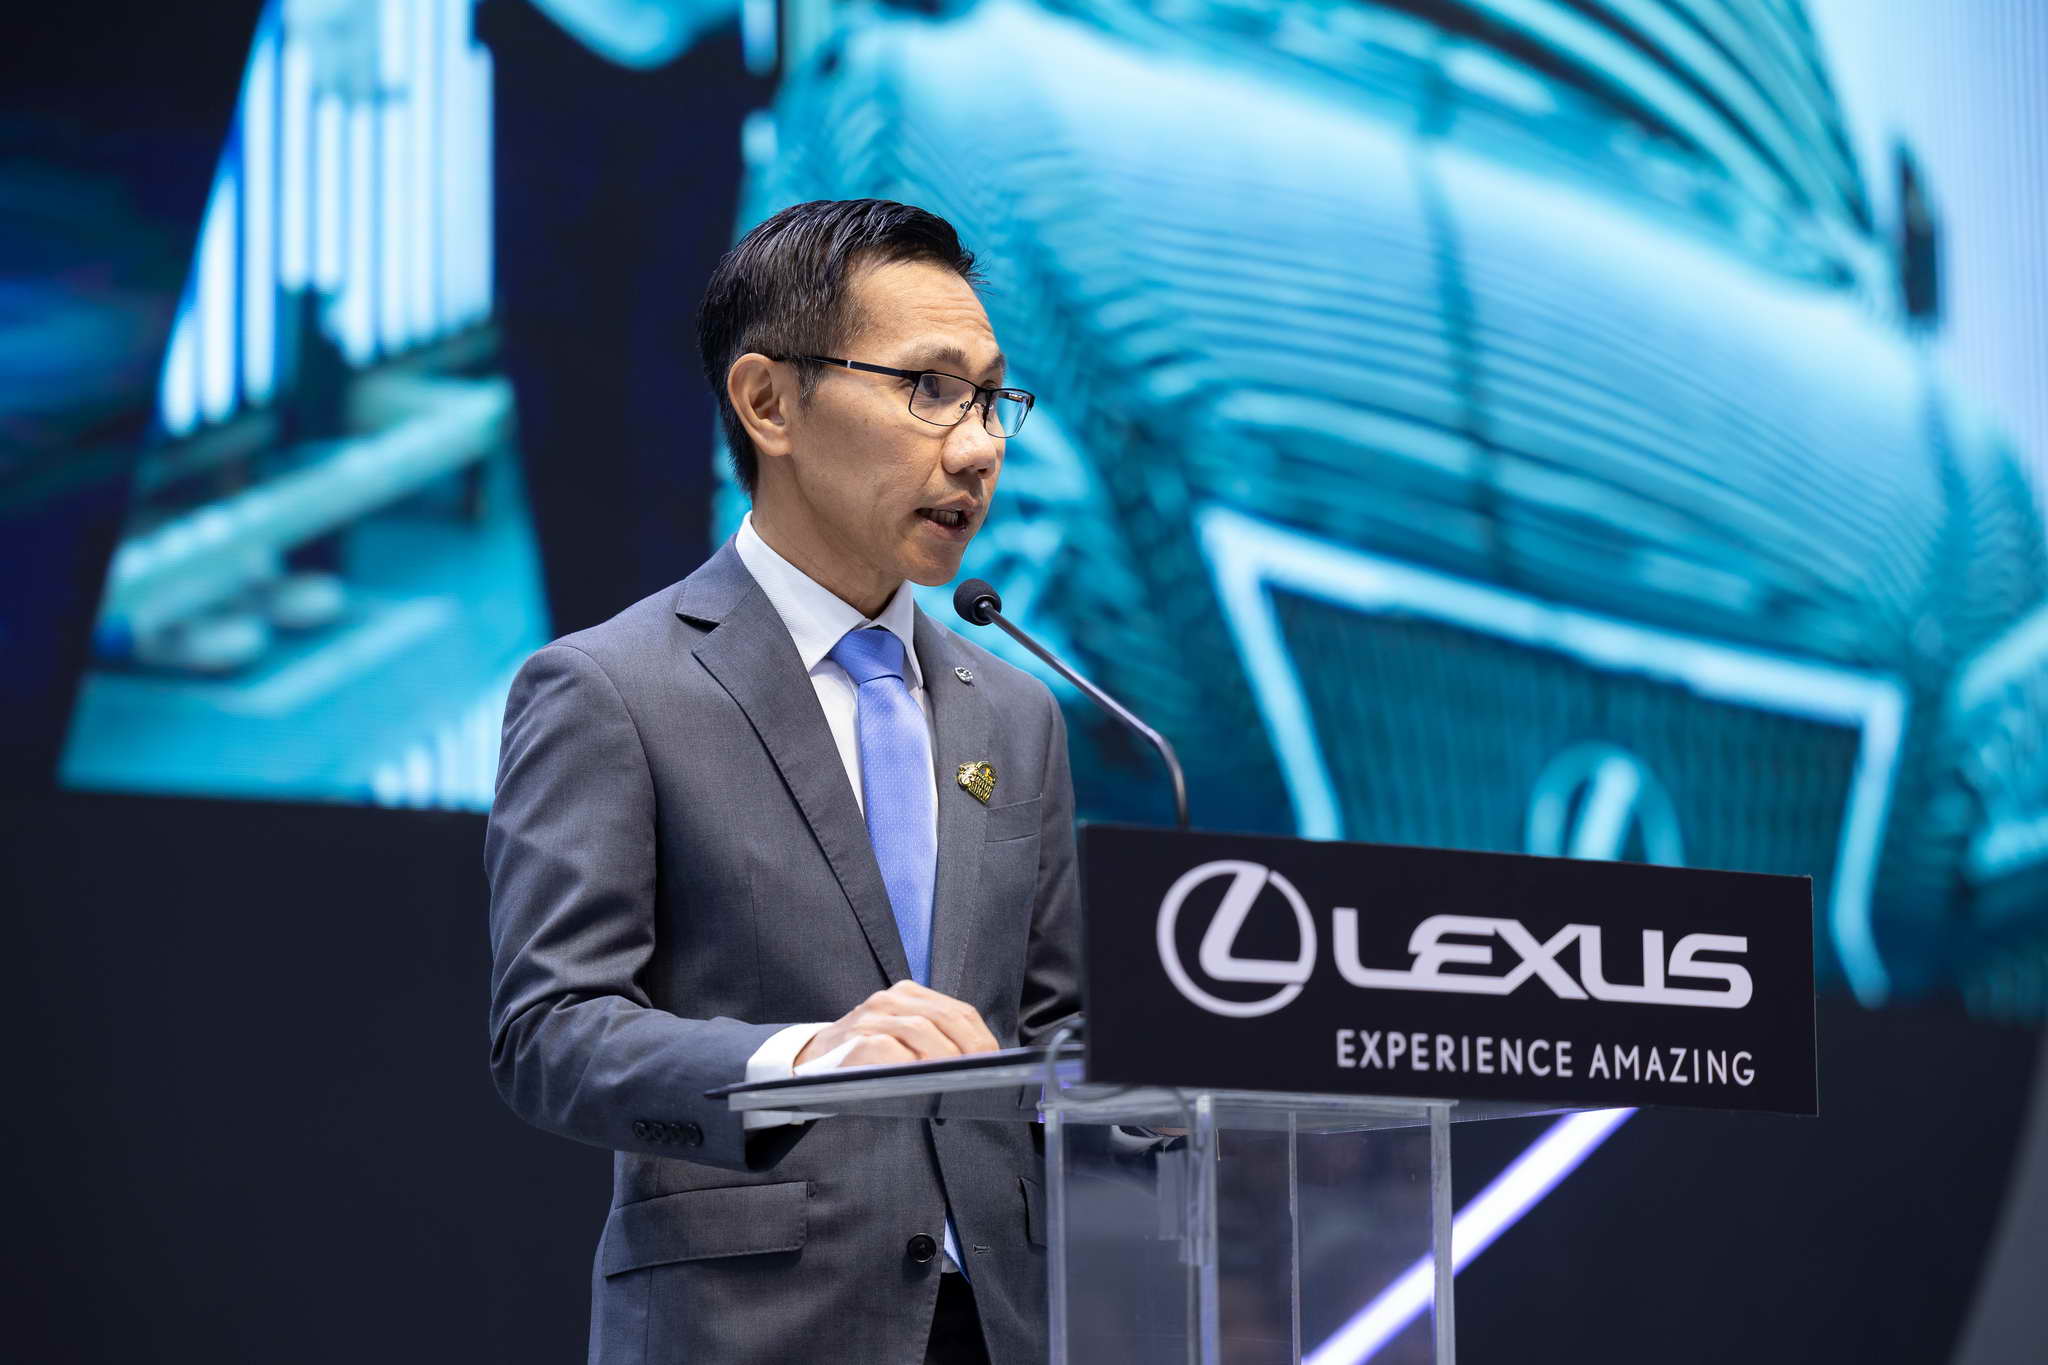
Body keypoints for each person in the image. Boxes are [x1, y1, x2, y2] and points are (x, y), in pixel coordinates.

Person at [485, 198, 1077, 1365]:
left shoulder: (1017, 713)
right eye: (929, 389)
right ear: (767, 404)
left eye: (990, 398)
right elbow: (550, 1034)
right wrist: (808, 1061)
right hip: (751, 1326)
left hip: (1003, 1327)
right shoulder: (609, 689)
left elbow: (1055, 1029)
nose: (977, 447)